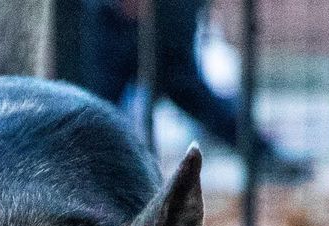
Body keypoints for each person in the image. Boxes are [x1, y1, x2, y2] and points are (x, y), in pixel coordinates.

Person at [80, 0, 312, 182]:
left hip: (154, 15)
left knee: (182, 88)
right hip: (118, 16)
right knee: (96, 102)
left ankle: (263, 155)